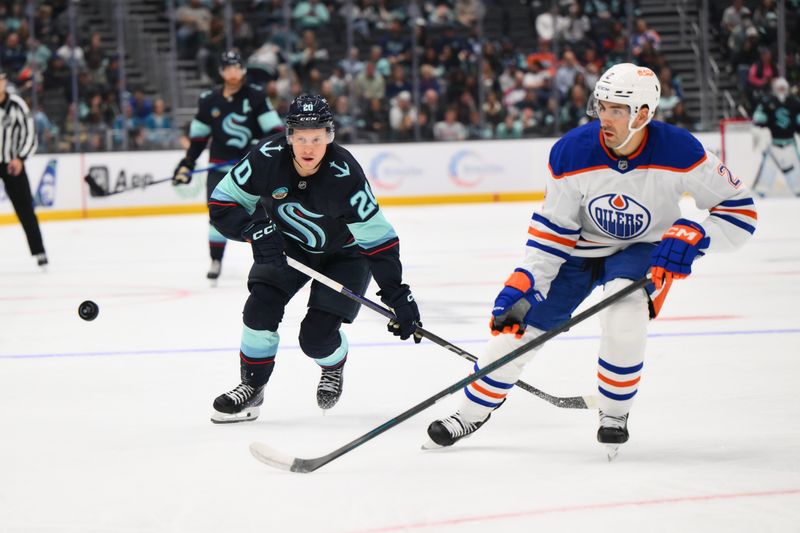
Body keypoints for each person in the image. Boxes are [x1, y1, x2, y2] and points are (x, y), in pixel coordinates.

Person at [425, 63, 758, 458]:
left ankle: (614, 414)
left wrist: (697, 235)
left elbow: (740, 214)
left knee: (624, 310)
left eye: (617, 109)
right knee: (519, 327)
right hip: (578, 251)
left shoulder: (681, 150)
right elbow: (553, 230)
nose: (605, 117)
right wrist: (526, 281)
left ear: (644, 114)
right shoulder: (571, 152)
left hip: (641, 250)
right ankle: (469, 413)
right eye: (601, 106)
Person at [206, 94, 423, 423]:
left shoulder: (345, 174)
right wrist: (255, 231)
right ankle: (251, 388)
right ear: (289, 136)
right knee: (259, 308)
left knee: (316, 338)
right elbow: (222, 203)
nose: (309, 148)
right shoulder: (266, 157)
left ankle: (333, 365)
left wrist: (397, 292)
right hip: (286, 246)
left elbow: (378, 240)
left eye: (318, 138)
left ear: (329, 136)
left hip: (346, 255)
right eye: (302, 138)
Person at [172, 50, 283, 282]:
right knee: (217, 215)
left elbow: (275, 132)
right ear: (222, 72)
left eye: (237, 67)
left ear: (243, 69)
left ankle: (270, 259)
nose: (233, 72)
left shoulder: (255, 96)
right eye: (228, 68)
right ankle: (216, 259)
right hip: (219, 169)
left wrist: (256, 147)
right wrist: (188, 163)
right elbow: (199, 138)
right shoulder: (208, 100)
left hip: (252, 170)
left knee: (265, 215)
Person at [0, 69, 47, 268]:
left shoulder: (17, 105)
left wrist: (20, 158)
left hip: (12, 164)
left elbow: (30, 136)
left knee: (25, 208)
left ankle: (39, 251)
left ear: (4, 82)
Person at [751, 77, 800, 196]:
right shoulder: (767, 102)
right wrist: (759, 133)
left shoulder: (795, 102)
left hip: (790, 144)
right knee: (767, 171)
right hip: (773, 145)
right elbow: (758, 119)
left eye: (783, 88)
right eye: (779, 88)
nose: (782, 90)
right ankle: (760, 194)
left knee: (796, 173)